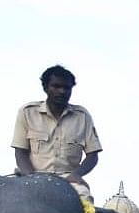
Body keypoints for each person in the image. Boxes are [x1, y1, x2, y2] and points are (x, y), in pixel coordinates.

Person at [11, 65, 101, 197]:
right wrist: (31, 177)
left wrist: (76, 175)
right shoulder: (27, 113)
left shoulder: (82, 116)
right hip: (32, 175)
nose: (62, 91)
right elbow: (20, 152)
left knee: (85, 200)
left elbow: (93, 156)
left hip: (69, 180)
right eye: (56, 86)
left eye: (66, 88)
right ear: (46, 87)